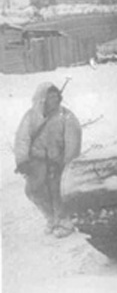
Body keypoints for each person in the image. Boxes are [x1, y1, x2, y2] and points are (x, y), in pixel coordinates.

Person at [14, 82, 82, 238]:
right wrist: (22, 160)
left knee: (56, 191)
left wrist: (68, 162)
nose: (54, 99)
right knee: (33, 191)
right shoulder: (31, 116)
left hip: (56, 162)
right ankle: (51, 218)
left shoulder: (66, 116)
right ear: (41, 98)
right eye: (49, 96)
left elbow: (73, 140)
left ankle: (64, 221)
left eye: (56, 96)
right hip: (36, 161)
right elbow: (22, 138)